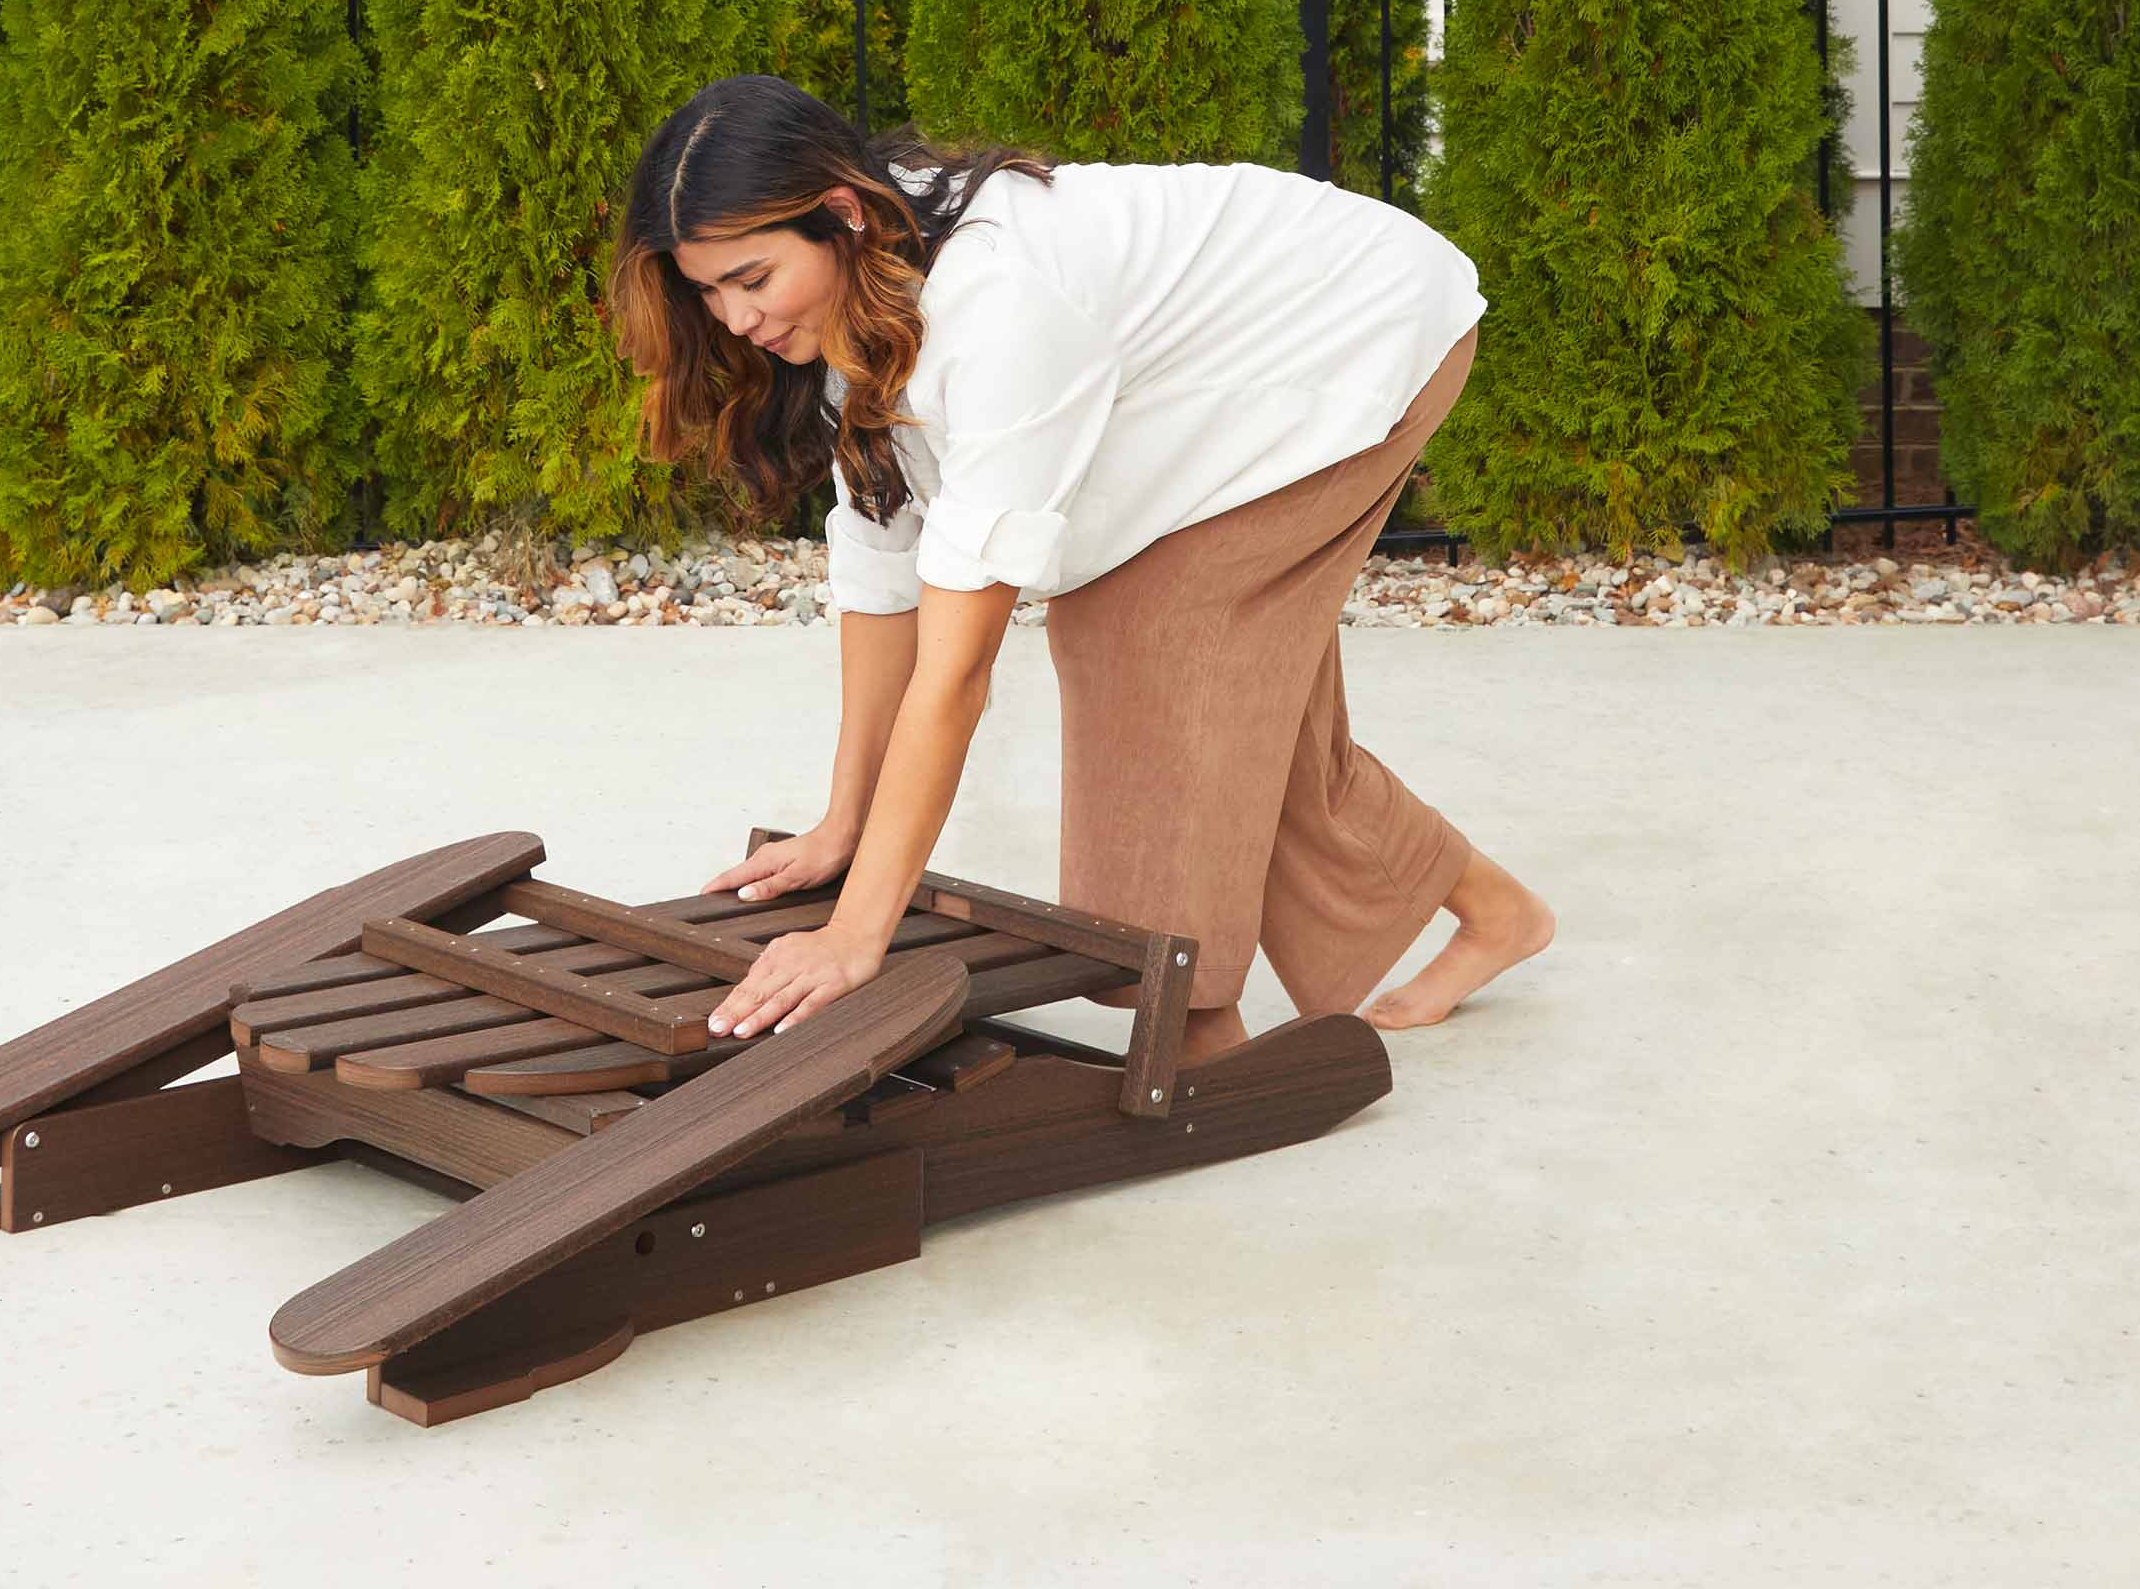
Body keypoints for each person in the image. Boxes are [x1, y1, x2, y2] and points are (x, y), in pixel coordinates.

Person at [605, 74, 1553, 1066]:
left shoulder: (999, 303)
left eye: (753, 279)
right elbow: (884, 571)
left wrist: (856, 936)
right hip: (1227, 370)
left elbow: (956, 670)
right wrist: (843, 821)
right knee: (1243, 708)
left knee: (1140, 638)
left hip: (1355, 338)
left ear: (839, 212)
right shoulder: (860, 292)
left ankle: (1191, 1027)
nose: (735, 318)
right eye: (708, 290)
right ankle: (1496, 912)